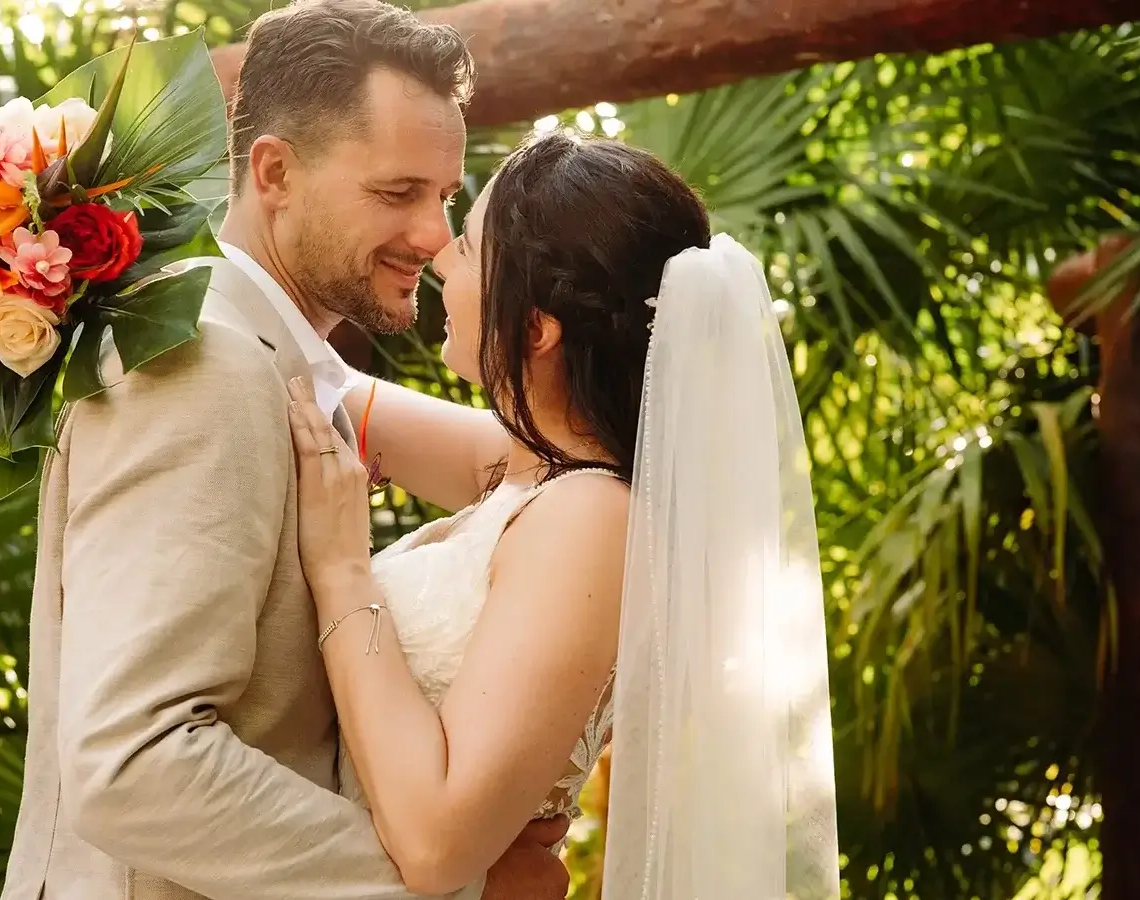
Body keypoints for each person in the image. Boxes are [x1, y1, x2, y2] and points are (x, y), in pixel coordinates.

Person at [0, 2, 570, 898]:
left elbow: (539, 463)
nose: (434, 235)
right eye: (398, 193)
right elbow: (133, 762)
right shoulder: (205, 367)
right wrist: (459, 889)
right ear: (274, 172)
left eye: (446, 196)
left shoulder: (281, 364)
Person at [286, 131, 844, 898]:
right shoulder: (531, 470)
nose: (441, 257)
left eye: (469, 248)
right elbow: (312, 384)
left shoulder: (590, 518)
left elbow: (437, 845)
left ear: (536, 329)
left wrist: (342, 570)